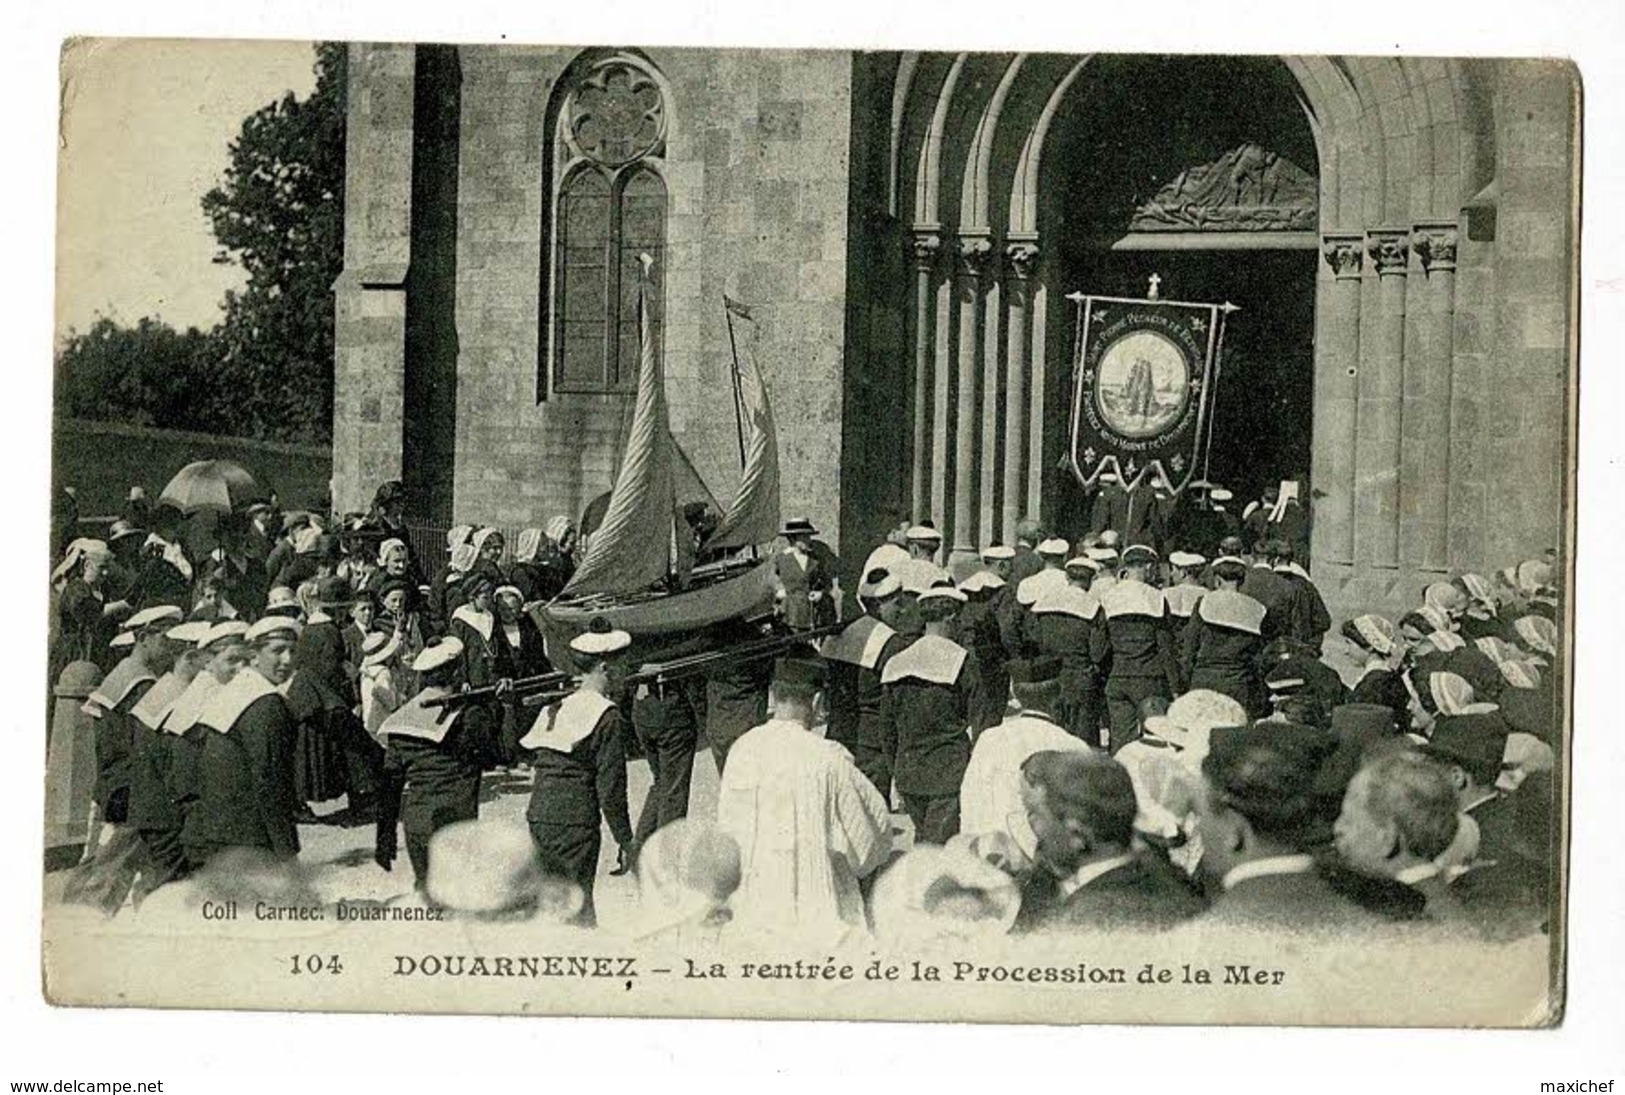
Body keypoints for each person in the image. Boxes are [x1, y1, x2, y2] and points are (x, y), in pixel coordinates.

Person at [716, 656, 892, 945]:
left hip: (750, 911)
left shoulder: (742, 750)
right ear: (818, 701)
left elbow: (727, 830)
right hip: (813, 909)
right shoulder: (828, 758)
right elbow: (870, 837)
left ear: (773, 695)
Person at [1194, 722, 1374, 929]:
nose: (1199, 828)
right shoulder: (1378, 910)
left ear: (1234, 831)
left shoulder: (1201, 933)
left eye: (1201, 815)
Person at [519, 621, 636, 928]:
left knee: (550, 904)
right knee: (577, 909)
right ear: (604, 667)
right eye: (622, 664)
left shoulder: (555, 707)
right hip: (575, 822)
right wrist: (625, 839)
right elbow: (610, 786)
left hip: (540, 816)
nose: (626, 671)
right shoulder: (606, 715)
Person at [376, 637, 510, 893]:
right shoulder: (469, 715)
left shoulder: (402, 718)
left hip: (417, 824)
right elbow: (497, 755)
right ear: (458, 670)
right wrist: (502, 705)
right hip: (455, 824)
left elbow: (390, 785)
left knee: (427, 895)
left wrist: (385, 838)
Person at [1017, 749, 1204, 933]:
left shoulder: (1079, 923)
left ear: (1076, 833)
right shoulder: (1173, 878)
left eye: (1039, 816)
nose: (1036, 827)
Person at [181, 617, 303, 872]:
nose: (288, 660)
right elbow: (270, 781)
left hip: (217, 830)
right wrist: (286, 850)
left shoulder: (237, 690)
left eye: (292, 650)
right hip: (249, 838)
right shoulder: (265, 703)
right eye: (277, 650)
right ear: (254, 655)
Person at [958, 656, 1093, 860]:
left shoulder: (989, 739)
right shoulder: (1072, 746)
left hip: (992, 856)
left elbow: (969, 801)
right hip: (1046, 862)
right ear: (1058, 695)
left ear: (1017, 695)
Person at [879, 586, 980, 844]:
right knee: (939, 850)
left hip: (908, 772)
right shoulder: (961, 661)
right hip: (948, 772)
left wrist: (896, 769)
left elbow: (887, 730)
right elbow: (980, 721)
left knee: (924, 842)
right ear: (951, 619)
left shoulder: (897, 663)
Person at [124, 618, 212, 900]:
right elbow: (175, 766)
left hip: (149, 807)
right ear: (189, 658)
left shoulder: (163, 689)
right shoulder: (179, 700)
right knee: (169, 889)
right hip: (167, 815)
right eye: (207, 660)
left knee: (158, 883)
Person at [1331, 750, 1465, 923]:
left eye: (1348, 819)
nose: (1337, 828)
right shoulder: (1449, 905)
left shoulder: (1394, 921)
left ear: (1387, 837)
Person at [822, 567, 907, 790]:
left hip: (838, 734)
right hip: (872, 744)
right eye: (897, 603)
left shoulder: (841, 632)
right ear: (879, 604)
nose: (902, 611)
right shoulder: (891, 643)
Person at [1099, 545, 1182, 750]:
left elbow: (1101, 644)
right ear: (1146, 567)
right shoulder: (1156, 598)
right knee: (1156, 739)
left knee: (1120, 740)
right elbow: (1166, 648)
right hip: (1150, 678)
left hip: (1118, 676)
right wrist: (1175, 688)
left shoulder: (1109, 597)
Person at [1180, 556, 1267, 716]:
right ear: (1242, 581)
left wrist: (1185, 681)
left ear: (1218, 580)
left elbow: (1189, 647)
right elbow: (1258, 656)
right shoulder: (1256, 608)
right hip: (1239, 683)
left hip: (1204, 679)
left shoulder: (1205, 602)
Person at [1028, 582, 1109, 744]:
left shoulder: (1044, 604)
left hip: (1051, 676)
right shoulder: (1092, 606)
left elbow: (1034, 639)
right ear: (1090, 580)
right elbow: (1097, 652)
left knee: (1054, 731)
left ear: (1067, 577)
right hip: (1081, 676)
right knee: (1084, 735)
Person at [51, 538, 130, 678]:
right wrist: (125, 603)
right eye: (101, 567)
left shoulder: (103, 591)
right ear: (87, 565)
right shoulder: (75, 589)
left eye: (107, 568)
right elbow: (92, 614)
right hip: (75, 653)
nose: (105, 573)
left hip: (97, 653)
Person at [956, 569, 1010, 733]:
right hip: (989, 664)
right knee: (989, 717)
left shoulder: (965, 610)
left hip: (969, 661)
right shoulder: (993, 610)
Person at [773, 518, 838, 630]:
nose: (808, 540)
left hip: (814, 614)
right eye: (804, 537)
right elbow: (770, 585)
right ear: (792, 538)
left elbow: (827, 584)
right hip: (791, 615)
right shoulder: (780, 560)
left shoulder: (816, 560)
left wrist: (821, 594)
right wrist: (778, 594)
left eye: (808, 536)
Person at [1162, 551, 1207, 621]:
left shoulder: (1166, 593)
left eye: (1173, 570)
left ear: (1182, 573)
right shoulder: (1206, 594)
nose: (1171, 574)